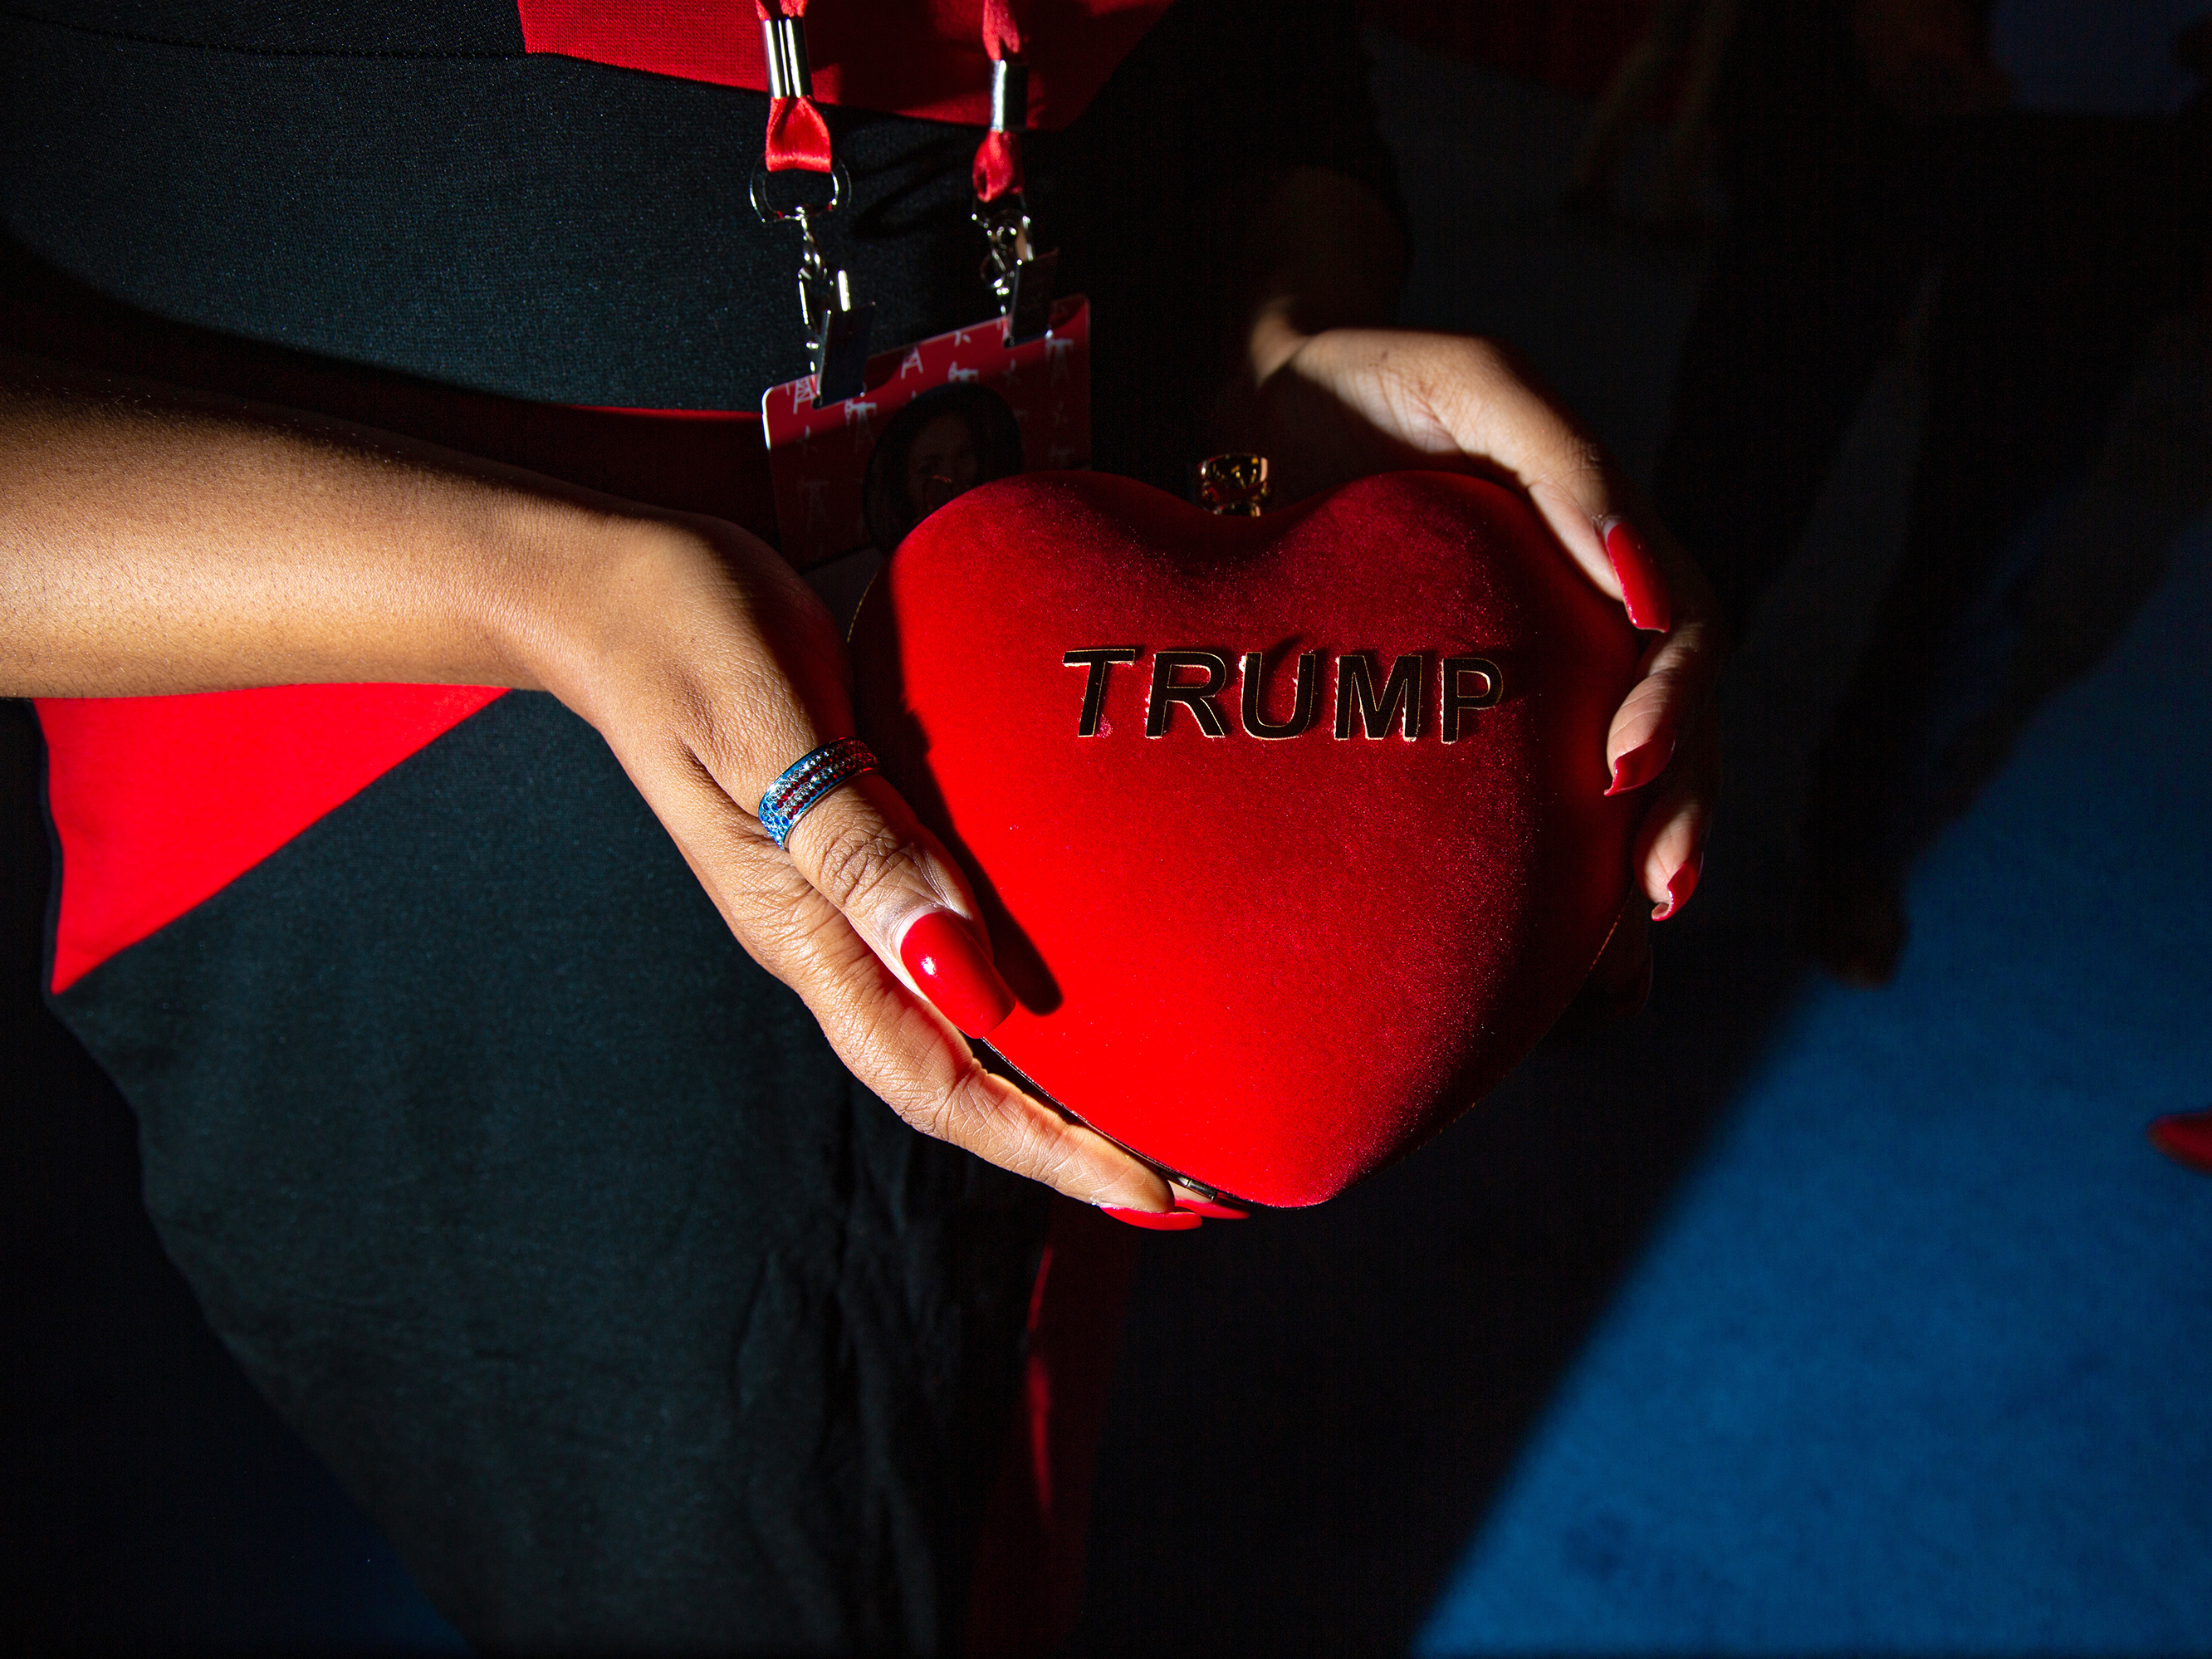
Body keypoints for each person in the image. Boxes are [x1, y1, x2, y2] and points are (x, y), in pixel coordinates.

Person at [0, 0, 1719, 1647]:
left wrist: (1279, 347)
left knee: (992, 1463)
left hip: (1088, 736)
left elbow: (1261, 49)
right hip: (441, 842)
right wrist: (546, 592)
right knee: (727, 1538)